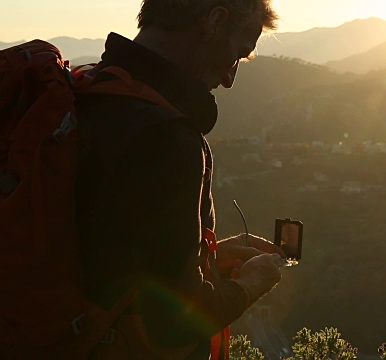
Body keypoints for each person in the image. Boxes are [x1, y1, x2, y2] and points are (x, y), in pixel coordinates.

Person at [74, 0, 283, 358]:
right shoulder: (165, 138)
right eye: (238, 54)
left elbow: (101, 261)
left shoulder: (83, 93)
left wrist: (202, 258)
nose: (230, 79)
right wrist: (250, 286)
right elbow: (172, 324)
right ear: (215, 21)